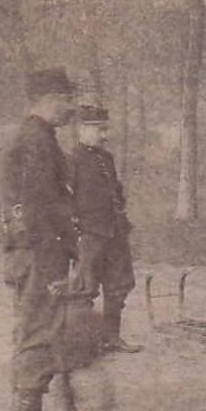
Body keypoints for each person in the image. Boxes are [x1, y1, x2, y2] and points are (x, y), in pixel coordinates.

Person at [0, 67, 84, 411]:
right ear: (49, 99)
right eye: (67, 99)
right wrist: (55, 259)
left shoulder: (37, 138)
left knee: (36, 328)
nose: (71, 107)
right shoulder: (35, 140)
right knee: (38, 330)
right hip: (40, 252)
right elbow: (37, 208)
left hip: (34, 251)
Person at [71, 104, 140, 354]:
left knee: (119, 285)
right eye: (99, 130)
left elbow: (115, 191)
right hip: (89, 234)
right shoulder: (72, 160)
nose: (104, 135)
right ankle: (84, 345)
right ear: (82, 129)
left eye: (105, 129)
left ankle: (112, 338)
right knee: (84, 290)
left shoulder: (106, 158)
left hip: (114, 232)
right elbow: (65, 200)